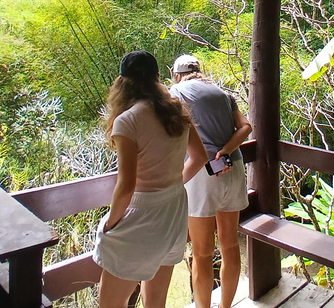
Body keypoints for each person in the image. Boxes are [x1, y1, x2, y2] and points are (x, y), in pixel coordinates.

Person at [93, 50, 208, 308]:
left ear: (122, 84)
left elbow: (126, 186)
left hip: (142, 216)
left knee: (110, 304)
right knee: (156, 303)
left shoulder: (127, 121)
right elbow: (200, 157)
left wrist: (110, 223)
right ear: (157, 79)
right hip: (174, 210)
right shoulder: (176, 110)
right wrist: (174, 182)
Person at [169, 54, 252, 308]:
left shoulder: (175, 93)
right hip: (233, 167)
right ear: (198, 71)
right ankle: (226, 306)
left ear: (176, 74)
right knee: (229, 245)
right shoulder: (223, 94)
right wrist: (225, 151)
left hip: (201, 174)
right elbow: (246, 127)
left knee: (202, 253)